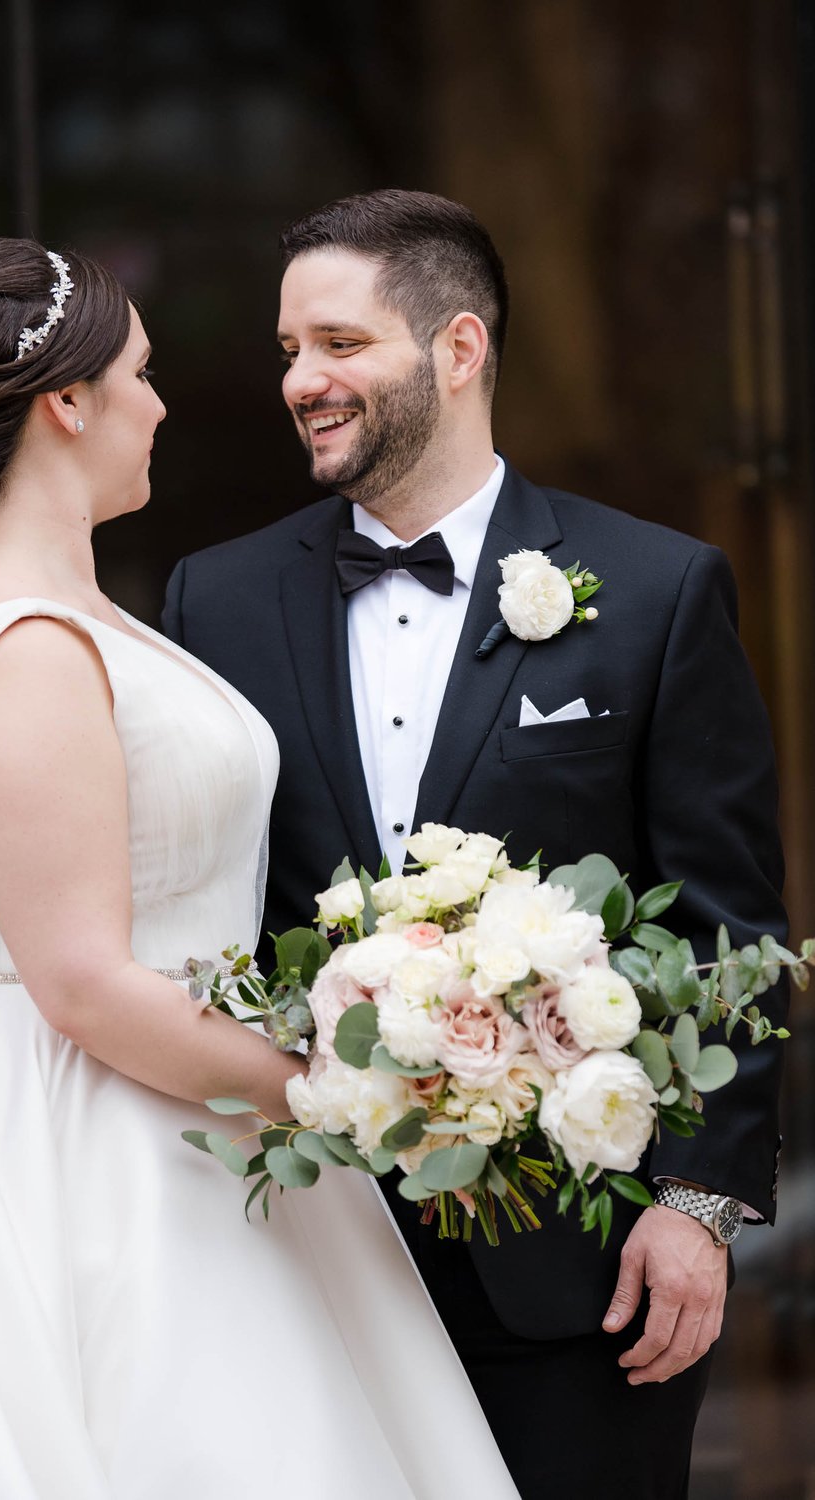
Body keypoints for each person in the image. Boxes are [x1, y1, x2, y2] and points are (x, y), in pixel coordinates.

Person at [0, 236, 519, 1497]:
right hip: (108, 1154)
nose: (160, 401)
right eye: (138, 373)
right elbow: (82, 982)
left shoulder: (69, 611)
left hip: (180, 1115)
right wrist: (337, 1102)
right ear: (66, 402)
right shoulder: (26, 637)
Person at [157, 190, 789, 1498]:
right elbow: (169, 862)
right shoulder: (213, 600)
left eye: (338, 344)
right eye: (288, 351)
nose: (301, 382)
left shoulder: (659, 592)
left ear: (458, 348)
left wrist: (698, 1207)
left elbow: (730, 926)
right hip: (305, 1258)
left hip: (580, 1273)